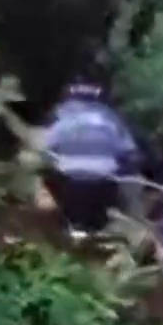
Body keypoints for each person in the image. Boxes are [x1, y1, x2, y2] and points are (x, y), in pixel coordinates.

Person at [41, 75, 143, 237]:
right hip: (70, 157)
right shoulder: (62, 193)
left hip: (103, 161)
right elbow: (49, 144)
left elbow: (128, 149)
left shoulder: (105, 202)